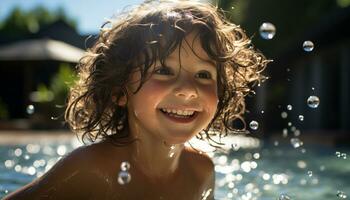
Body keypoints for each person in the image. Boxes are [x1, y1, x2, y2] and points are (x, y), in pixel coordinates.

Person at [4, 0, 268, 199]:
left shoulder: (201, 172)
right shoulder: (90, 169)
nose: (188, 90)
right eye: (163, 71)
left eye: (203, 74)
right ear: (120, 90)